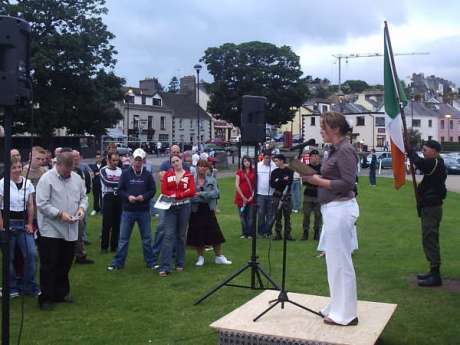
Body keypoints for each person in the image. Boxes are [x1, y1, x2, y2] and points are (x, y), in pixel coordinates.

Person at [303, 112, 359, 326]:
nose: (321, 131)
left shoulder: (346, 150)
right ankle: (336, 306)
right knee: (332, 262)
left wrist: (318, 181)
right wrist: (312, 177)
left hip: (341, 209)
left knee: (341, 263)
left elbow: (347, 183)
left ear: (335, 129)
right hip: (332, 209)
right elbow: (330, 176)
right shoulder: (331, 149)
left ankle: (347, 314)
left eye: (323, 127)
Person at [36, 150, 88, 310]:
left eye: (71, 170)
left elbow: (83, 197)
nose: (68, 173)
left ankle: (61, 293)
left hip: (70, 228)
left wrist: (81, 209)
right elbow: (42, 204)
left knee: (65, 263)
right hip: (51, 229)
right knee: (49, 264)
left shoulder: (77, 178)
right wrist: (59, 214)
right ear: (57, 164)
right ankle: (46, 297)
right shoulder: (46, 179)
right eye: (66, 170)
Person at [107, 148, 156, 271]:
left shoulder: (147, 175)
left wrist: (143, 197)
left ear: (143, 161)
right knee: (123, 239)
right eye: (136, 159)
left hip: (143, 210)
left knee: (146, 239)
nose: (138, 162)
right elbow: (120, 190)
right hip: (128, 210)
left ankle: (151, 262)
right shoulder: (126, 173)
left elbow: (152, 190)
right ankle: (117, 263)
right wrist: (128, 197)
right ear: (133, 160)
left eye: (140, 160)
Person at [408, 140, 447, 287]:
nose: (423, 153)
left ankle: (435, 275)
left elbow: (422, 165)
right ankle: (433, 271)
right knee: (429, 237)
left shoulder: (435, 162)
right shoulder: (435, 162)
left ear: (434, 151)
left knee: (430, 237)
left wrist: (411, 152)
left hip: (432, 207)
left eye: (425, 150)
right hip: (429, 206)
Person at [0, 157, 39, 297]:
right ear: (8, 169)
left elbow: (30, 205)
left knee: (31, 254)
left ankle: (28, 285)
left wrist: (29, 223)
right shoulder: (2, 184)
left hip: (23, 223)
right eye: (14, 168)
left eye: (19, 167)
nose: (17, 170)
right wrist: (2, 227)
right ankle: (12, 287)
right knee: (8, 257)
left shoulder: (27, 184)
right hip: (8, 223)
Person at [187, 159, 231, 266]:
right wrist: (206, 196)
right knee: (198, 234)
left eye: (204, 166)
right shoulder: (191, 180)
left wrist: (201, 194)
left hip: (209, 210)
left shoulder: (212, 179)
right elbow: (191, 197)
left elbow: (216, 193)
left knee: (215, 233)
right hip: (196, 210)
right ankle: (200, 257)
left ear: (207, 168)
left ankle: (219, 257)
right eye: (200, 166)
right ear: (197, 167)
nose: (202, 168)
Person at [159, 154, 195, 276]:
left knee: (181, 236)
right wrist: (179, 193)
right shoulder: (168, 175)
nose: (175, 163)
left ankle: (180, 263)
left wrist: (177, 195)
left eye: (177, 161)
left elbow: (192, 190)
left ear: (181, 161)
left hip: (184, 207)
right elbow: (164, 190)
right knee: (168, 235)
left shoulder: (188, 175)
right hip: (171, 208)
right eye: (173, 162)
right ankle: (165, 266)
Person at [72, 150, 94, 264]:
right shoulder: (67, 171)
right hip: (69, 207)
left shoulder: (81, 170)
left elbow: (84, 188)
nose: (76, 159)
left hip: (79, 204)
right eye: (73, 157)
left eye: (77, 157)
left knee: (80, 230)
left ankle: (80, 255)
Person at [99, 152, 122, 253]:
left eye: (117, 160)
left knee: (117, 223)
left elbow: (122, 183)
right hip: (108, 197)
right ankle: (104, 247)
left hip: (118, 197)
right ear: (108, 160)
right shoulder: (103, 170)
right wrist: (119, 184)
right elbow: (107, 182)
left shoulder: (120, 170)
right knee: (107, 224)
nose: (115, 162)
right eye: (113, 160)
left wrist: (119, 184)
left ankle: (114, 246)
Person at [270, 154, 294, 241]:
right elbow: (272, 184)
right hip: (277, 195)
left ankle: (288, 234)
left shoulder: (289, 171)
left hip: (286, 195)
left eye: (276, 160)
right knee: (277, 216)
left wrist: (278, 180)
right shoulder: (274, 172)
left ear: (281, 161)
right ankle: (278, 234)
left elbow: (289, 182)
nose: (275, 162)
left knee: (287, 216)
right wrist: (282, 180)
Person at [301, 149, 322, 241]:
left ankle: (317, 232)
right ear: (310, 158)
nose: (314, 158)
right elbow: (304, 180)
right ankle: (305, 232)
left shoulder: (322, 168)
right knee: (306, 214)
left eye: (316, 156)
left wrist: (312, 178)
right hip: (308, 193)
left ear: (319, 158)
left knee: (318, 215)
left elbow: (322, 180)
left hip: (319, 194)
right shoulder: (306, 167)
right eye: (312, 156)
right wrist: (316, 179)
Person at [234, 156, 255, 239]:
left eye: (248, 161)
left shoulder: (254, 171)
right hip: (241, 197)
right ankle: (244, 233)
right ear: (242, 163)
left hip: (251, 197)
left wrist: (252, 196)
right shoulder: (239, 172)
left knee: (250, 217)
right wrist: (242, 197)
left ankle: (249, 233)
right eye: (245, 161)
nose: (247, 163)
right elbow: (237, 184)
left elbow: (255, 185)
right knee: (242, 216)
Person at [256, 150, 276, 238]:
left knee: (270, 214)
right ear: (263, 157)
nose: (268, 160)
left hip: (271, 194)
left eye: (269, 158)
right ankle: (260, 231)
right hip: (260, 194)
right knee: (260, 213)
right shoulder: (258, 166)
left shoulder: (274, 166)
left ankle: (268, 231)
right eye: (266, 158)